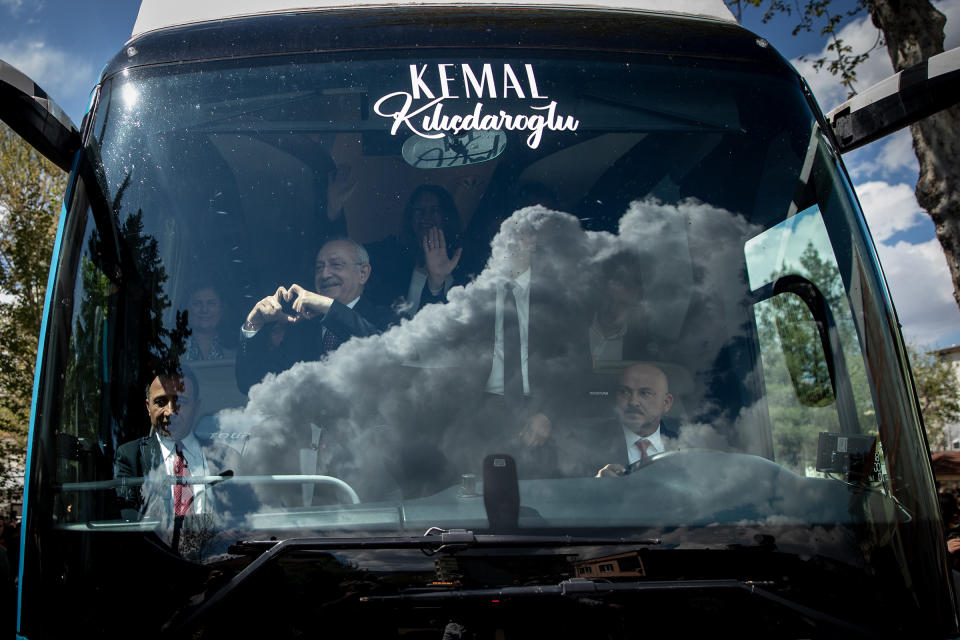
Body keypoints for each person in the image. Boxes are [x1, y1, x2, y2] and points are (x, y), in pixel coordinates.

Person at [235, 238, 394, 393]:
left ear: (363, 273)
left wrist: (330, 307)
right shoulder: (303, 328)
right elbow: (252, 384)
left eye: (336, 265)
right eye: (319, 268)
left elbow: (387, 359)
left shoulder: (387, 318)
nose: (324, 274)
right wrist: (252, 324)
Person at [114, 367, 240, 520]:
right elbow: (129, 523)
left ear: (196, 407)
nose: (170, 412)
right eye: (161, 402)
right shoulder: (130, 457)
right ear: (148, 407)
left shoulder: (226, 458)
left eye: (180, 401)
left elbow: (244, 520)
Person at [368, 184, 464, 316]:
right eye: (419, 210)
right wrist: (333, 210)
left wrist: (436, 284)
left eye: (434, 210)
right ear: (410, 217)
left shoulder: (462, 259)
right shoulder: (390, 252)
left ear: (446, 216)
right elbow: (350, 254)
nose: (426, 216)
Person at [587, 362, 679, 478]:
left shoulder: (686, 447)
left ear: (666, 403)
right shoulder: (587, 443)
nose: (633, 402)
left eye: (645, 393)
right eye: (625, 392)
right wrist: (596, 484)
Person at [182, 282, 235, 361]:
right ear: (187, 309)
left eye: (211, 304)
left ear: (221, 310)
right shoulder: (169, 346)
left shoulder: (235, 350)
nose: (204, 310)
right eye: (197, 304)